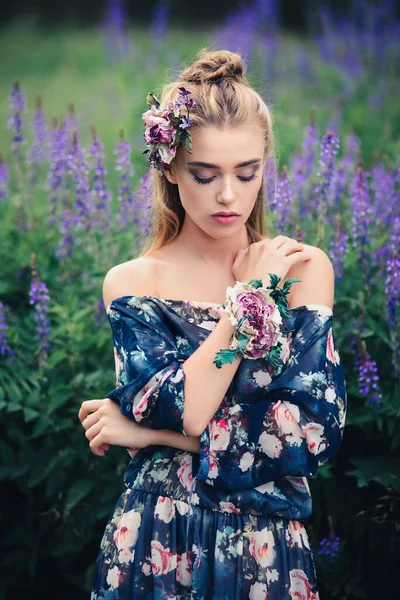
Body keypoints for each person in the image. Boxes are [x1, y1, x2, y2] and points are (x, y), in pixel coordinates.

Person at [79, 48, 347, 599]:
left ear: (263, 168)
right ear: (171, 167)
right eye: (205, 174)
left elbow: (310, 435)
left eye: (246, 173)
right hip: (156, 536)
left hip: (267, 550)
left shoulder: (303, 270)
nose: (229, 195)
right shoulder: (135, 282)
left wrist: (150, 435)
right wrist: (248, 300)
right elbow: (191, 409)